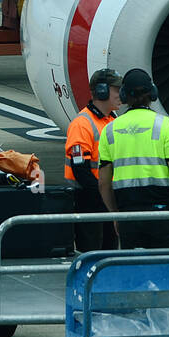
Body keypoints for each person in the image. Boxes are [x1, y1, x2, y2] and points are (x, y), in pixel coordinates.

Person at [98, 68, 169, 248]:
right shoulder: (165, 126)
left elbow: (104, 183)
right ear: (152, 93)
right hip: (164, 214)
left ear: (123, 95)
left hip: (128, 215)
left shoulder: (109, 130)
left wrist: (115, 214)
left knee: (135, 269)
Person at [64, 68, 121, 253]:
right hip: (88, 200)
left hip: (106, 199)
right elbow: (80, 170)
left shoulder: (113, 120)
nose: (121, 94)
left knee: (110, 251)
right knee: (91, 251)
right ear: (102, 91)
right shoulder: (82, 124)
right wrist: (103, 195)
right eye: (116, 90)